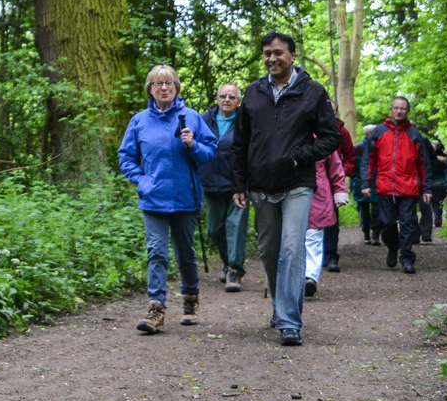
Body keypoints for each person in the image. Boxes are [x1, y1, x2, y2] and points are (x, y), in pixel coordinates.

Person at [230, 31, 341, 347]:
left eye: (278, 52)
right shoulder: (252, 93)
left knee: (292, 250)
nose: (272, 58)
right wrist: (238, 182)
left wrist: (298, 156)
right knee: (270, 251)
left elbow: (331, 137)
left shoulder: (313, 92)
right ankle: (281, 309)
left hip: (297, 184)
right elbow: (240, 143)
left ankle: (290, 322)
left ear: (292, 55)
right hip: (260, 185)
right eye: (267, 53)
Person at [119, 66, 217, 333]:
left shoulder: (192, 118)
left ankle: (190, 300)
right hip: (153, 199)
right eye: (158, 83)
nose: (164, 88)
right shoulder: (139, 121)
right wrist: (142, 180)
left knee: (186, 253)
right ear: (150, 89)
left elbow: (210, 153)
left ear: (177, 87)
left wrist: (193, 145)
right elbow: (126, 157)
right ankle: (155, 309)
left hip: (185, 197)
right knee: (157, 252)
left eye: (169, 83)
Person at [365, 97, 432, 275]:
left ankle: (407, 257)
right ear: (391, 109)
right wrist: (366, 183)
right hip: (385, 187)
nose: (399, 111)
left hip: (408, 187)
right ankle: (393, 247)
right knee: (386, 224)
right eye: (396, 108)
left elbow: (423, 164)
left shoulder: (414, 134)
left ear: (407, 111)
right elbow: (369, 160)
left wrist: (427, 188)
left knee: (408, 223)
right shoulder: (379, 132)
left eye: (402, 108)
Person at [198, 83, 249, 292]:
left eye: (231, 97)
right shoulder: (203, 120)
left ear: (239, 102)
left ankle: (235, 271)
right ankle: (228, 262)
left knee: (236, 227)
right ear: (217, 99)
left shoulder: (246, 121)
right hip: (211, 182)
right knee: (214, 229)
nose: (226, 100)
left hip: (240, 183)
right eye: (222, 96)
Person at [304, 150, 349, 297]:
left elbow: (336, 167)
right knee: (294, 239)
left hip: (318, 195)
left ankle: (310, 277)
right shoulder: (286, 134)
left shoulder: (323, 139)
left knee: (313, 236)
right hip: (291, 195)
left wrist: (340, 191)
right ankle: (297, 276)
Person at [321, 104, 356, 273]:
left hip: (333, 182)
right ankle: (316, 255)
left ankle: (331, 255)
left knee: (331, 219)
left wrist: (342, 171)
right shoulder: (310, 129)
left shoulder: (342, 132)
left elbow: (350, 157)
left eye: (332, 111)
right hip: (313, 180)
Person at [352, 126, 381, 246]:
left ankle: (375, 235)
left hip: (376, 183)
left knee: (376, 210)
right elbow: (354, 168)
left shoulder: (378, 147)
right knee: (364, 210)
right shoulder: (358, 148)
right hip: (361, 183)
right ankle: (367, 234)